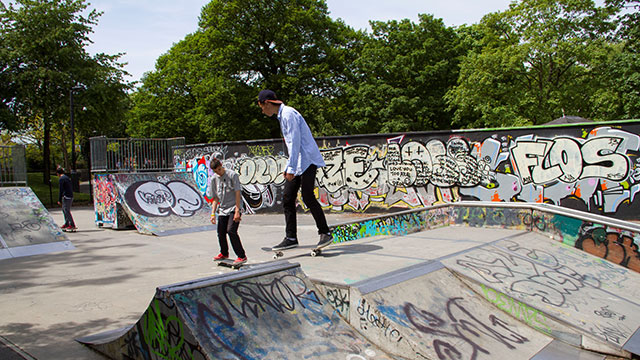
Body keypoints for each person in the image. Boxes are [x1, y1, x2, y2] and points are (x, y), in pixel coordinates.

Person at [257, 89, 332, 250]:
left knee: (307, 195)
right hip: (298, 162)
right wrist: (289, 167)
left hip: (307, 160)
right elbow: (292, 146)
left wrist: (291, 167)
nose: (263, 112)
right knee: (287, 197)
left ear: (267, 103)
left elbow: (295, 142)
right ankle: (291, 237)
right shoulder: (282, 116)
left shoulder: (288, 114)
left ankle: (325, 232)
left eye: (262, 108)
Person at [208, 158, 247, 265]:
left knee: (231, 231)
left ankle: (241, 256)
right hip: (223, 209)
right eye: (216, 171)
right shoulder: (214, 179)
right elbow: (215, 198)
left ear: (222, 166)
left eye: (219, 170)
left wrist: (237, 211)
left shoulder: (232, 175)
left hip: (234, 207)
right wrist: (213, 213)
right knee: (220, 232)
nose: (218, 173)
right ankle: (224, 253)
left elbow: (238, 193)